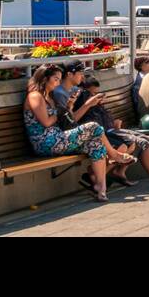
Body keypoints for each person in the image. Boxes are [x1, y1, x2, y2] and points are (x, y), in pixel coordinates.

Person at [24, 64, 133, 202]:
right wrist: (60, 111)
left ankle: (101, 189)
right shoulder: (35, 96)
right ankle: (114, 154)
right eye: (56, 79)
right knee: (93, 126)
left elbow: (66, 121)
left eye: (59, 79)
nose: (58, 82)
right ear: (45, 79)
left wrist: (68, 106)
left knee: (96, 143)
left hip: (58, 138)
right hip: (45, 142)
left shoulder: (49, 97)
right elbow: (46, 122)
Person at [74, 75, 149, 189]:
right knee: (136, 144)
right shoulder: (83, 102)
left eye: (97, 94)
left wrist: (114, 124)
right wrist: (90, 104)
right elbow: (88, 123)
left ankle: (118, 172)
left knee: (143, 140)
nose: (96, 97)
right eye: (93, 94)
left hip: (110, 131)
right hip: (102, 135)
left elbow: (102, 120)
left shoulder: (95, 104)